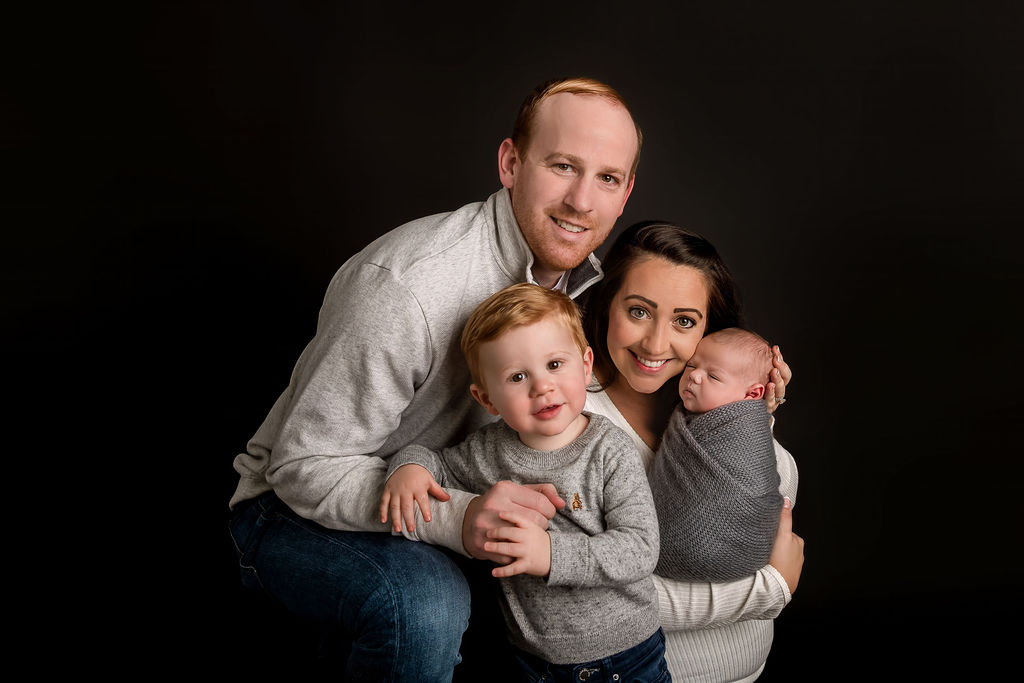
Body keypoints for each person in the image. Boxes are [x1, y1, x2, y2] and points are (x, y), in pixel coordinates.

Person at [226, 76, 642, 680]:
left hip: (452, 490)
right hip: (288, 512)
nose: (583, 201)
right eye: (562, 166)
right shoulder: (409, 287)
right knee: (424, 604)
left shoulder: (576, 282)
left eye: (607, 177)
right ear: (510, 163)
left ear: (626, 192)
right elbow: (302, 465)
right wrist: (460, 519)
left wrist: (738, 406)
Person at [381, 283, 668, 682]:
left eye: (554, 365)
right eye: (517, 376)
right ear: (487, 400)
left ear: (585, 365)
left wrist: (550, 553)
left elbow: (639, 548)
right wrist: (410, 467)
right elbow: (434, 462)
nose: (541, 386)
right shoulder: (486, 452)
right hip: (531, 660)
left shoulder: (608, 449)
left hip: (624, 655)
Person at [580, 221, 805, 683]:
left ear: (709, 329)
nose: (656, 344)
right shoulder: (568, 417)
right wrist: (771, 588)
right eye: (639, 311)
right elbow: (599, 599)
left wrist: (755, 418)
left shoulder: (705, 398)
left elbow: (766, 501)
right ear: (606, 305)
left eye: (684, 321)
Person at [648, 327, 783, 583]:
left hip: (731, 548)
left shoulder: (745, 433)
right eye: (691, 365)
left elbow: (755, 486)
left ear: (752, 394)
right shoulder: (691, 416)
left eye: (713, 376)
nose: (694, 376)